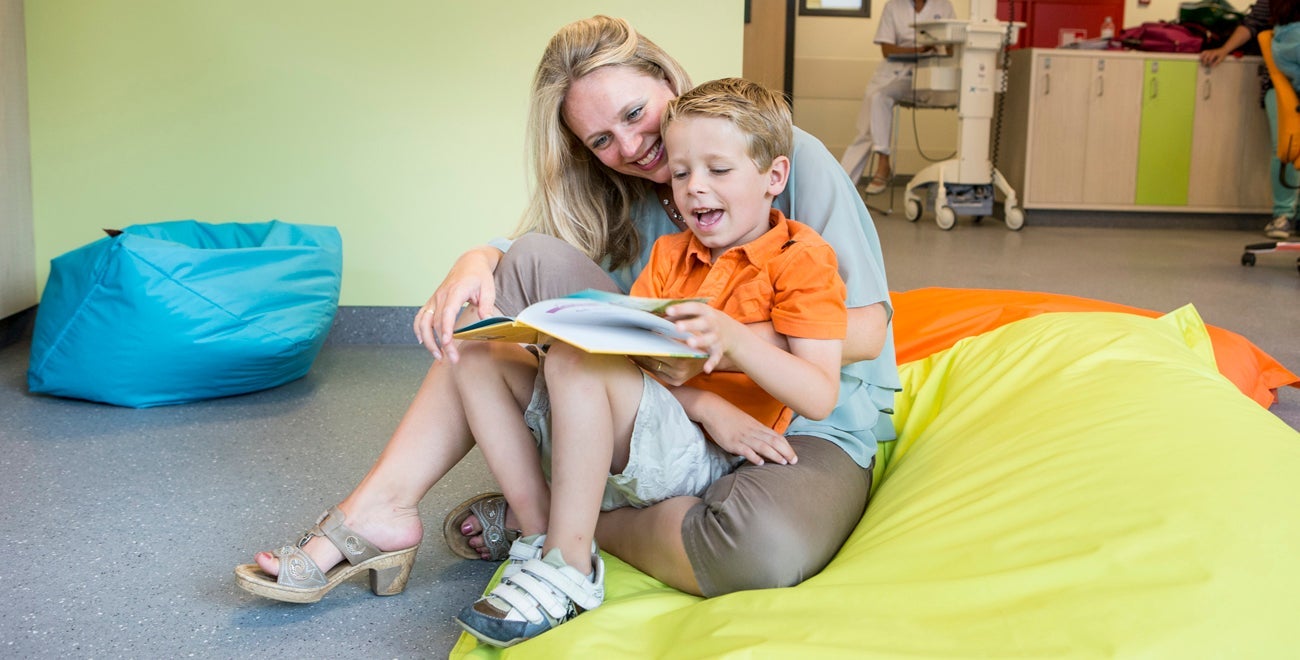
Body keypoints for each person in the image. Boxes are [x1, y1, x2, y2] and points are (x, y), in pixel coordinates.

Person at [235, 14, 897, 611]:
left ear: (668, 80)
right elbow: (572, 297)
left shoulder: (784, 157)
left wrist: (717, 344)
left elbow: (867, 330)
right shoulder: (629, 204)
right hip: (674, 410)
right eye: (603, 139)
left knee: (760, 549)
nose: (633, 147)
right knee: (511, 279)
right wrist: (477, 258)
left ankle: (558, 521)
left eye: (636, 113)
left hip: (805, 419)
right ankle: (382, 508)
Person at [453, 77, 849, 646]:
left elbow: (819, 394)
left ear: (775, 177)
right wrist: (700, 398)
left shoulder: (802, 259)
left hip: (711, 456)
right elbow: (635, 359)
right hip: (655, 424)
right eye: (682, 174)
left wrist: (735, 341)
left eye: (718, 170)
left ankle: (570, 568)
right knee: (477, 351)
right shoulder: (668, 255)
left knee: (574, 363)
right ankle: (541, 533)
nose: (695, 188)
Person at [1202, 0, 1300, 239]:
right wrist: (1224, 49)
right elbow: (1252, 24)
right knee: (1286, 149)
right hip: (1280, 87)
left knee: (1288, 150)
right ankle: (1284, 215)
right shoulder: (1276, 9)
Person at [839, 0, 956, 194]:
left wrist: (938, 47)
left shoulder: (943, 6)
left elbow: (952, 47)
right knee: (867, 129)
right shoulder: (893, 6)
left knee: (878, 102)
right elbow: (887, 50)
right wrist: (918, 50)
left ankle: (874, 170)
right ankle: (845, 186)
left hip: (927, 76)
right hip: (891, 75)